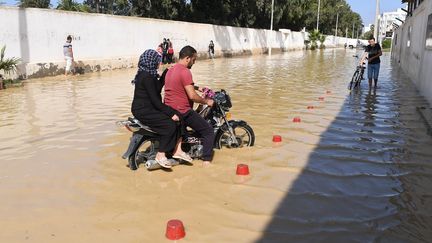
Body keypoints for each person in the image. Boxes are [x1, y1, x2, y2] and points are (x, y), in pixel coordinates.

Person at [131, 49, 191, 168]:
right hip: (145, 110)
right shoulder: (147, 76)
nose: (159, 63)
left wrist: (165, 74)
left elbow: (156, 89)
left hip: (146, 108)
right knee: (170, 125)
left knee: (179, 116)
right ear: (151, 61)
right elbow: (156, 101)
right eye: (157, 61)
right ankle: (161, 154)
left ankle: (177, 150)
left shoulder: (147, 73)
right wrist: (170, 113)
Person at [164, 46, 215, 166]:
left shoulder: (171, 69)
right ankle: (206, 161)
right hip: (183, 111)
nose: (194, 62)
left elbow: (180, 84)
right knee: (208, 131)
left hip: (169, 110)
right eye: (194, 59)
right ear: (187, 58)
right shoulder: (185, 71)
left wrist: (197, 87)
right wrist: (206, 101)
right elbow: (192, 96)